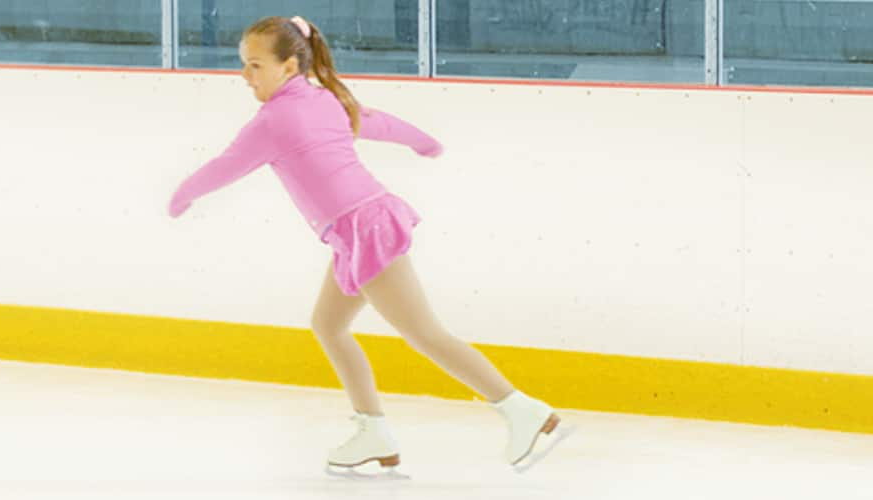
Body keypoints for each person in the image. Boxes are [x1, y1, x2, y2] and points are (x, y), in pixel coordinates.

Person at [168, 15, 573, 478]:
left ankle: (523, 411)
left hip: (366, 228)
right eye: (244, 65)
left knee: (424, 333)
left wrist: (183, 196)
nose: (245, 76)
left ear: (287, 67)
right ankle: (373, 430)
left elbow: (228, 165)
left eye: (254, 65)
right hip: (356, 230)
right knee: (328, 324)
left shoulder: (275, 120)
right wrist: (425, 143)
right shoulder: (324, 100)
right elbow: (378, 123)